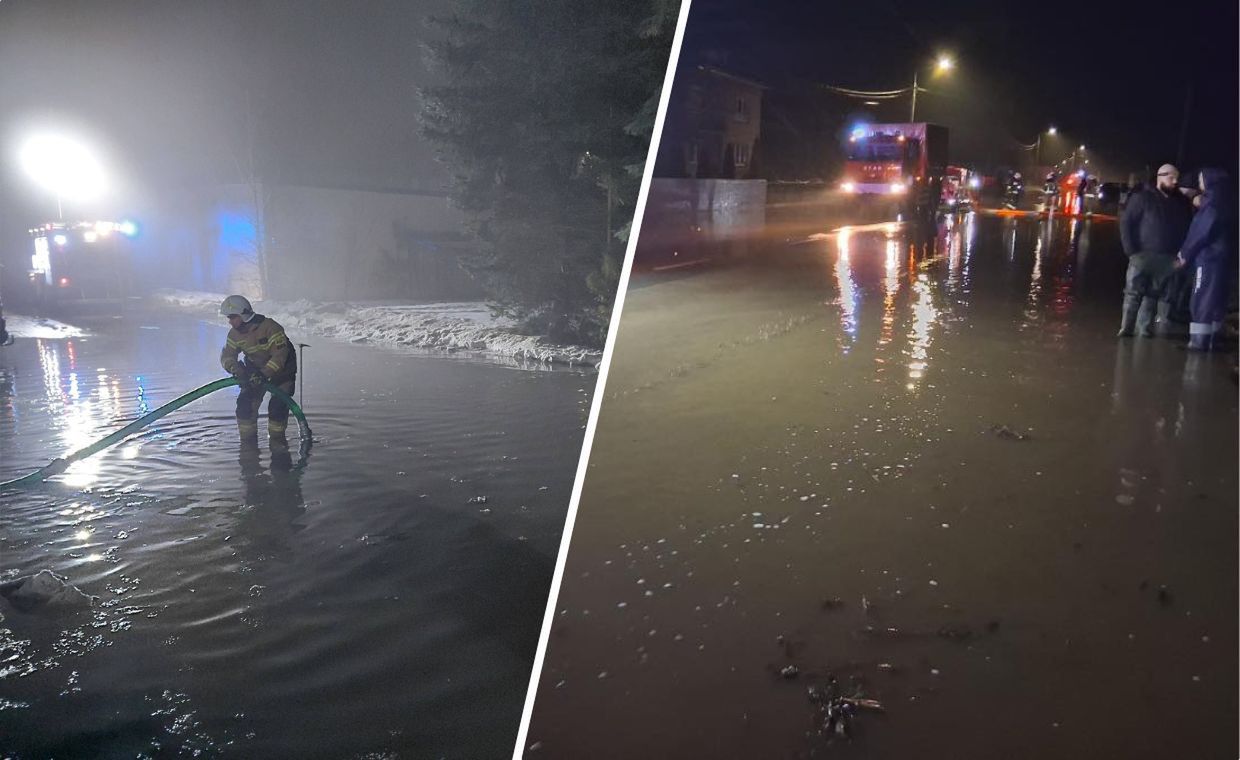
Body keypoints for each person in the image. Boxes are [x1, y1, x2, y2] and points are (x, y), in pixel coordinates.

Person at [1117, 164, 1193, 337]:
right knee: (1133, 293)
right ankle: (1126, 328)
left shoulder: (1178, 203)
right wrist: (1131, 251)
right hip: (1141, 256)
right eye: (1171, 177)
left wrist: (1178, 255)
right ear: (1160, 177)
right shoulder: (1142, 198)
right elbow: (1127, 222)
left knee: (1152, 294)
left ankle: (1144, 329)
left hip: (1165, 258)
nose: (1175, 182)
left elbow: (1185, 228)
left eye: (1176, 178)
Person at [219, 295, 297, 448]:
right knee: (244, 406)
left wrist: (263, 374)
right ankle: (248, 449)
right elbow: (227, 356)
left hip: (282, 372)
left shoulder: (271, 328)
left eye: (233, 317)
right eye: (229, 318)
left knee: (277, 408)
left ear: (243, 314)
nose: (230, 321)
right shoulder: (234, 334)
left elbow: (279, 357)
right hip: (254, 371)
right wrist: (237, 370)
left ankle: (278, 447)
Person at [1175, 168, 1235, 351]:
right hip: (1224, 259)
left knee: (1201, 298)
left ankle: (1198, 342)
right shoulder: (1227, 201)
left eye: (1201, 179)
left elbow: (1200, 232)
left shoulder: (1212, 205)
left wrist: (1184, 254)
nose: (1199, 183)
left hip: (1209, 259)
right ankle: (1212, 339)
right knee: (1217, 300)